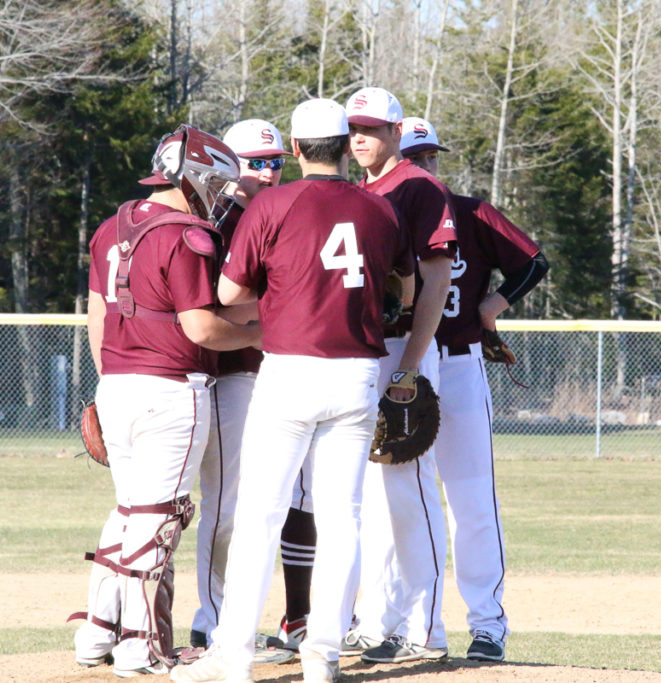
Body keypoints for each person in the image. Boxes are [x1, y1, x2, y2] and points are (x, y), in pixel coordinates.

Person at [169, 97, 414, 683]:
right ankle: (322, 656)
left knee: (260, 516)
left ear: (298, 149)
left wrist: (286, 294)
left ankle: (232, 658)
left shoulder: (276, 201)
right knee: (341, 518)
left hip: (290, 369)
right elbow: (405, 286)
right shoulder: (378, 208)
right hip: (358, 372)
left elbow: (228, 294)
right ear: (344, 146)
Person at [72, 124, 261, 678]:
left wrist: (114, 380)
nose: (222, 198)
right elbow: (202, 328)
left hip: (118, 383)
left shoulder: (112, 226)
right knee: (160, 519)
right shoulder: (188, 234)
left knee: (129, 511)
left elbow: (98, 314)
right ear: (197, 177)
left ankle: (98, 632)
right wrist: (259, 335)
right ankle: (142, 645)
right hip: (172, 388)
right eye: (218, 185)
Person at [400, 116, 549, 661]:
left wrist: (494, 304)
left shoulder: (470, 212)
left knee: (472, 503)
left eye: (430, 156)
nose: (425, 166)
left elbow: (533, 262)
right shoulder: (379, 211)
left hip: (458, 365)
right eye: (415, 156)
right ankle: (410, 624)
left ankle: (487, 625)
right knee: (400, 506)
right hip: (399, 370)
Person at [341, 86, 458, 664]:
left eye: (370, 128)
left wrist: (411, 364)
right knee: (375, 494)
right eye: (352, 129)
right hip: (363, 350)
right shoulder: (361, 190)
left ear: (394, 132)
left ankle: (427, 624)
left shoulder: (420, 186)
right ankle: (379, 617)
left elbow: (436, 281)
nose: (359, 137)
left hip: (402, 349)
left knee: (410, 490)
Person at [189, 118, 291, 654]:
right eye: (256, 163)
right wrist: (282, 304)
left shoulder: (286, 211)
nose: (268, 173)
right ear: (230, 166)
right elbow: (208, 299)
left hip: (276, 372)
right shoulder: (214, 221)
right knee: (226, 505)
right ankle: (213, 621)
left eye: (276, 162)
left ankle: (239, 617)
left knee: (265, 506)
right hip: (227, 374)